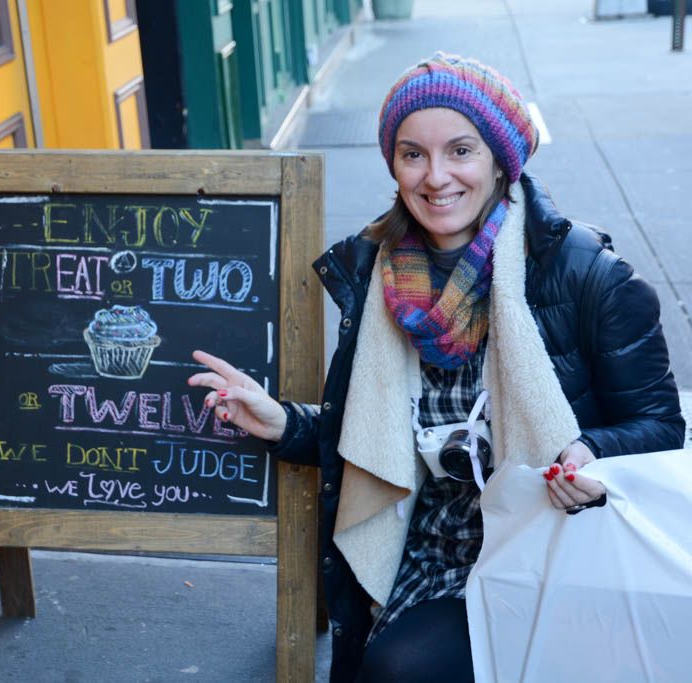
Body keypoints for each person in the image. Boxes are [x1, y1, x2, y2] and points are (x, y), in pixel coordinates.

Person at [187, 53, 685, 682]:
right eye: (412, 153)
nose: (435, 176)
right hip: (432, 553)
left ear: (501, 160)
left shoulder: (590, 277)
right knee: (396, 669)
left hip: (555, 546)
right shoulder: (373, 275)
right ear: (393, 164)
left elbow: (660, 426)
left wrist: (590, 450)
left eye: (460, 150)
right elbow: (371, 442)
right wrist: (282, 422)